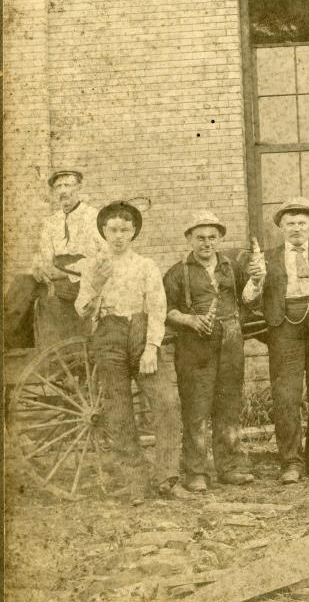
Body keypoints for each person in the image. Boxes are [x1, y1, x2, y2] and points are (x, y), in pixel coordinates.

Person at [75, 201, 185, 503]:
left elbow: (158, 308)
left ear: (134, 231)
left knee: (166, 401)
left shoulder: (146, 265)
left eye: (125, 229)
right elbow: (82, 311)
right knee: (118, 410)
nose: (119, 235)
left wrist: (151, 347)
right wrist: (95, 285)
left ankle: (167, 478)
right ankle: (136, 481)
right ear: (103, 231)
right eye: (113, 229)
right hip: (108, 333)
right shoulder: (93, 266)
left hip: (141, 329)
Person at [242, 197, 309, 484]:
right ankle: (290, 462)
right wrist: (256, 281)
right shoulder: (265, 258)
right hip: (284, 325)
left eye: (302, 223)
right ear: (280, 227)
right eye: (289, 223)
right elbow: (247, 298)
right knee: (287, 394)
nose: (296, 228)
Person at [163, 212, 255, 493]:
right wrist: (190, 320)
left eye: (212, 237)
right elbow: (165, 310)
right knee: (197, 408)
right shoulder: (177, 272)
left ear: (220, 238)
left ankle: (230, 468)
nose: (206, 243)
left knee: (228, 406)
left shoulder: (232, 267)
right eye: (200, 238)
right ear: (189, 239)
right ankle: (197, 472)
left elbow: (247, 300)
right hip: (194, 346)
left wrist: (255, 287)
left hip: (230, 342)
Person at [32, 169, 103, 347]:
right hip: (56, 277)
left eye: (68, 185)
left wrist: (64, 273)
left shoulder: (93, 216)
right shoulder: (50, 222)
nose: (63, 190)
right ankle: (15, 346)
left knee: (49, 303)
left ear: (78, 187)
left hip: (82, 278)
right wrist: (41, 269)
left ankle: (61, 355)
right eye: (58, 187)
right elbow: (45, 255)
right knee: (23, 285)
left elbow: (100, 256)